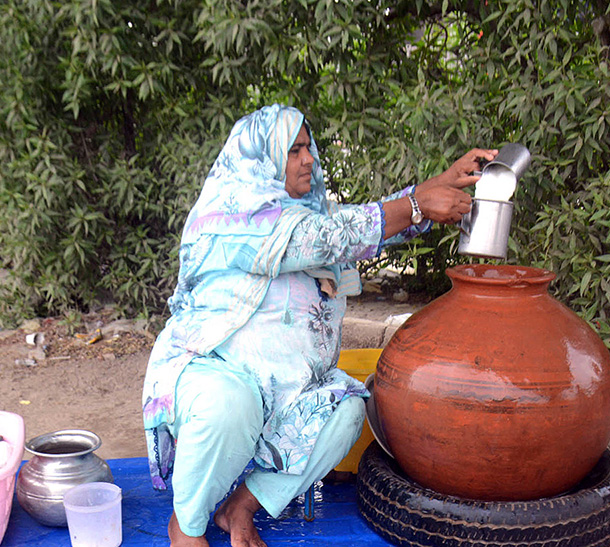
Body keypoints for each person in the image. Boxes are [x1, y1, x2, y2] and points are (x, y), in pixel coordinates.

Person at [142, 104, 496, 547]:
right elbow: (326, 237)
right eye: (293, 151)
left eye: (307, 147)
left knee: (346, 411)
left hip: (287, 387)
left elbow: (354, 226)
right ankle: (187, 524)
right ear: (262, 158)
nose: (308, 159)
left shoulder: (306, 212)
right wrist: (414, 204)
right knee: (229, 404)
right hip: (216, 374)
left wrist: (434, 189)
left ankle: (241, 507)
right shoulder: (230, 218)